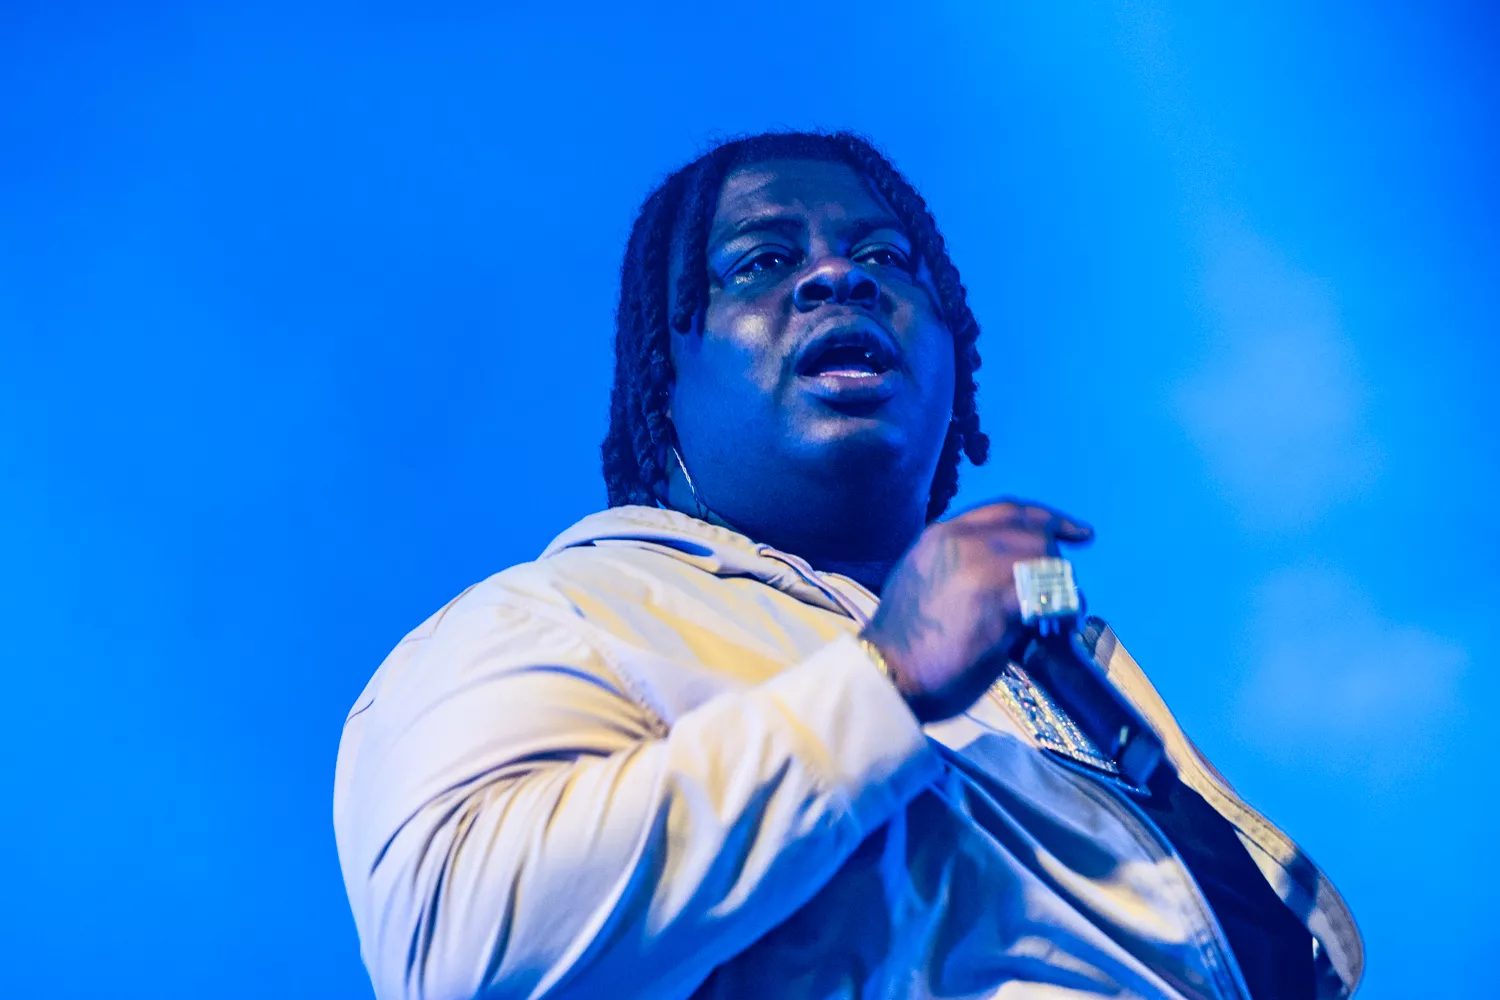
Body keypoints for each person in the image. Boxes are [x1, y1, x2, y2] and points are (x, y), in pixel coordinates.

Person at [332, 131, 1363, 1000]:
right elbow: (461, 947)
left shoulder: (1052, 671)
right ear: (663, 377)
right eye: (760, 262)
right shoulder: (552, 617)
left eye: (886, 255)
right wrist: (881, 686)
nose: (841, 276)